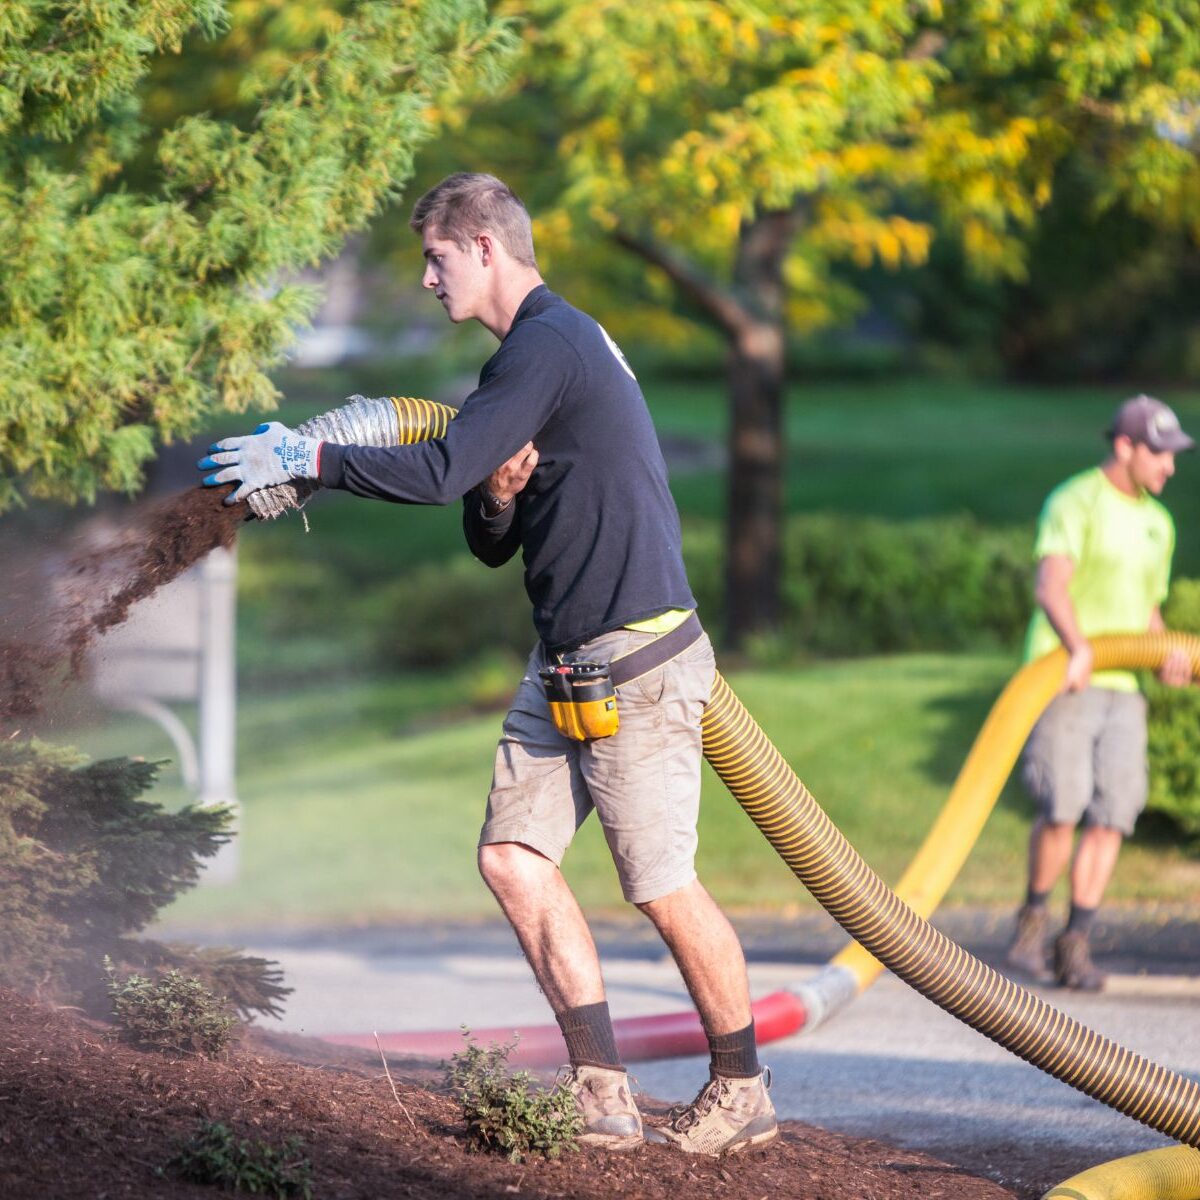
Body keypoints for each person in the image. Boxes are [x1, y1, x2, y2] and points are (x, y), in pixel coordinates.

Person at [198, 173, 777, 1154]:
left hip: (637, 656)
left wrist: (311, 458)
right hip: (565, 658)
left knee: (660, 883)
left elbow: (437, 472)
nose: (427, 279)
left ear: (484, 249)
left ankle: (742, 1086)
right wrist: (503, 498)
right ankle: (602, 1093)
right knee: (513, 859)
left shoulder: (549, 344)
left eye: (434, 257)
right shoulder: (528, 364)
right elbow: (488, 531)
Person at [1005, 394, 1194, 991]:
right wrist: (1080, 646)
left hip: (1123, 687)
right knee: (1064, 803)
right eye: (1160, 453)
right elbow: (1051, 586)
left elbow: (1148, 612)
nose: (1170, 465)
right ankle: (1031, 926)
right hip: (1066, 675)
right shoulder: (1076, 499)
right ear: (1125, 447)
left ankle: (1075, 942)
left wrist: (1164, 654)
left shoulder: (1157, 523)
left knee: (1115, 810)